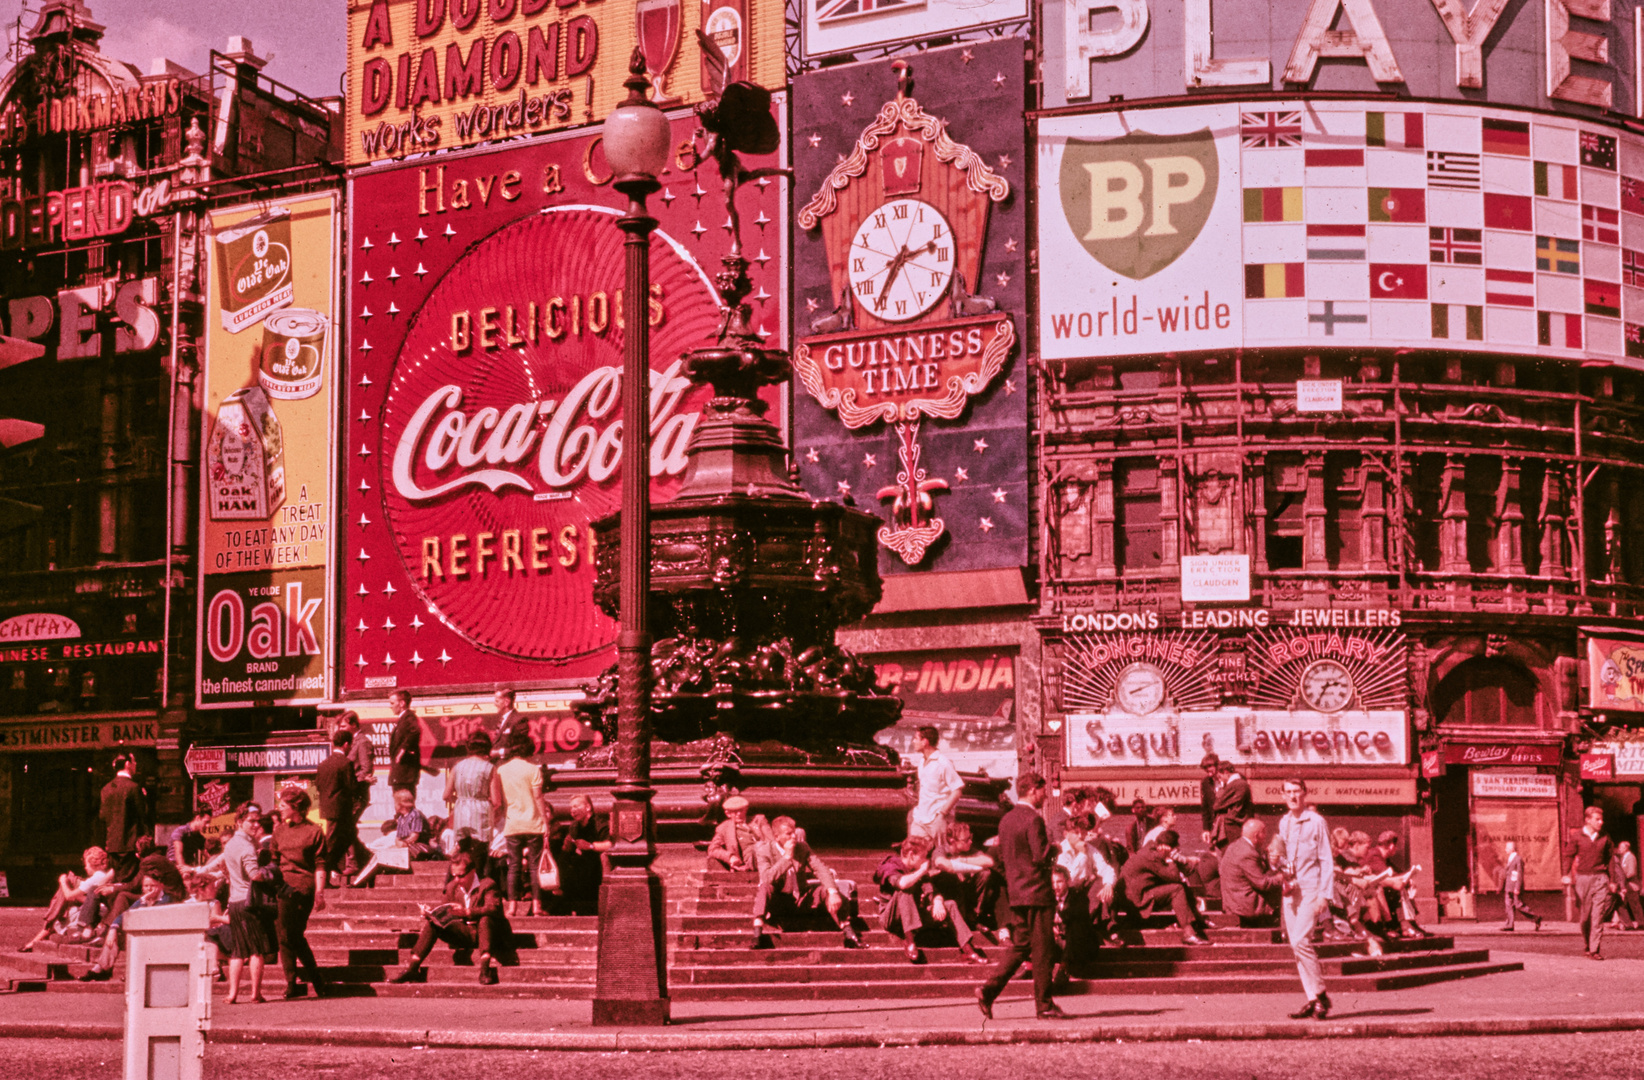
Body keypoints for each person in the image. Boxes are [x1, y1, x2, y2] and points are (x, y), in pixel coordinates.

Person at [977, 773, 1066, 1021]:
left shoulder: (1006, 820)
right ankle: (1044, 1005)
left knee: (1021, 945)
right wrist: (1056, 847)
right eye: (1043, 791)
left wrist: (1015, 881)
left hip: (1016, 893)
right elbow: (1041, 855)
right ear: (1033, 790)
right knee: (1043, 951)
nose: (1045, 796)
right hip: (1037, 893)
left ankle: (988, 990)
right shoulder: (1034, 819)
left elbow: (1001, 860)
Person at [390, 839, 505, 985]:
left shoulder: (487, 884)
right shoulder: (452, 887)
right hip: (466, 932)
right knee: (433, 923)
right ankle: (413, 967)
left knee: (485, 919)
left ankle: (485, 970)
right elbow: (444, 908)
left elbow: (493, 908)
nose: (457, 880)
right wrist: (430, 913)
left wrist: (468, 912)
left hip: (490, 933)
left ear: (472, 872)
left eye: (461, 875)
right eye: (454, 875)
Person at [750, 815, 862, 949]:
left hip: (802, 897)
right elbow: (766, 878)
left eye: (794, 832)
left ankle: (849, 934)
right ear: (777, 836)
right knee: (765, 887)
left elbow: (820, 868)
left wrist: (832, 891)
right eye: (788, 834)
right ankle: (757, 934)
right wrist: (786, 857)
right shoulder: (764, 850)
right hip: (780, 900)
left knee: (826, 890)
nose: (794, 837)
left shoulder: (802, 847)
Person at [875, 834, 986, 965]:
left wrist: (937, 901)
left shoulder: (917, 870)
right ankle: (909, 941)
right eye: (923, 857)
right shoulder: (890, 865)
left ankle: (968, 950)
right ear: (911, 855)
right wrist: (921, 871)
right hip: (892, 918)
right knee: (905, 890)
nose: (926, 861)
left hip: (914, 916)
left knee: (949, 904)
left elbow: (933, 890)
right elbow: (902, 884)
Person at [1276, 778, 1333, 1020]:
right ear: (1282, 796)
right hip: (1291, 890)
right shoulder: (1284, 822)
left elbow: (1327, 859)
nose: (1292, 796)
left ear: (1305, 793)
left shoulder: (1317, 821)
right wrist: (1278, 862)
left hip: (1312, 889)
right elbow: (1285, 857)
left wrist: (1325, 895)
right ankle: (1312, 999)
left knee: (1300, 941)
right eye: (1288, 792)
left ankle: (1321, 995)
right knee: (1296, 946)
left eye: (1296, 791)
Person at [272, 788, 328, 999]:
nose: (280, 808)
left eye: (284, 805)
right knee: (286, 934)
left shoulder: (314, 832)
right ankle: (297, 981)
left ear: (296, 807)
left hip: (303, 887)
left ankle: (307, 980)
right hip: (282, 887)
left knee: (290, 934)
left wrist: (320, 893)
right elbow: (274, 860)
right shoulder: (279, 831)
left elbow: (320, 864)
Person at [217, 804, 276, 1003]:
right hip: (250, 902)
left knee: (237, 951)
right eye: (251, 821)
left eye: (258, 820)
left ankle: (232, 994)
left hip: (234, 902)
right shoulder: (247, 846)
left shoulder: (231, 843)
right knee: (256, 951)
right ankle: (255, 993)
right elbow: (254, 875)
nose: (256, 824)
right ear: (240, 822)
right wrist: (271, 874)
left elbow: (221, 863)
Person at [75, 871, 179, 982]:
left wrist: (144, 901)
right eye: (146, 886)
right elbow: (126, 914)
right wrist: (113, 928)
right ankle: (100, 969)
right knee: (114, 937)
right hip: (142, 937)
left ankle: (132, 973)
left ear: (161, 885)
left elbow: (151, 917)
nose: (148, 889)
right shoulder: (144, 899)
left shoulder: (167, 900)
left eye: (152, 885)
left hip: (159, 940)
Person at [491, 731, 547, 918]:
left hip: (512, 822)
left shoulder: (501, 770)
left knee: (513, 866)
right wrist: (545, 822)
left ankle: (512, 906)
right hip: (533, 822)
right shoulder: (533, 769)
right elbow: (538, 797)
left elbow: (498, 799)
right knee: (534, 866)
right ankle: (537, 905)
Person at [1119, 830, 1210, 944]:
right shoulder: (1152, 856)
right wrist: (1170, 859)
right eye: (1176, 849)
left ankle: (1198, 919)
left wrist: (1181, 860)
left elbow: (1186, 871)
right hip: (1136, 900)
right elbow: (1174, 877)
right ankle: (1188, 933)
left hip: (1137, 894)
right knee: (1177, 889)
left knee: (1179, 886)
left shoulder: (1152, 850)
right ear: (1168, 847)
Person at [20, 846, 110, 952]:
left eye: (86, 865)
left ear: (93, 865)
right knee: (64, 904)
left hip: (99, 913)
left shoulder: (98, 876)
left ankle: (43, 932)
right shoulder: (103, 874)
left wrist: (62, 881)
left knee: (64, 896)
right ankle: (43, 933)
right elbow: (89, 900)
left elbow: (69, 895)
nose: (85, 868)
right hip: (97, 910)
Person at [1564, 805, 1616, 960]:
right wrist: (1565, 874)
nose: (1601, 822)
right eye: (1597, 819)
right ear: (1587, 820)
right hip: (1583, 878)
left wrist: (1612, 880)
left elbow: (1611, 859)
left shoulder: (1605, 837)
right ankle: (1587, 944)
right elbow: (1568, 855)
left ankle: (1595, 949)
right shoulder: (1578, 836)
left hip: (1600, 878)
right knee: (1585, 917)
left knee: (1597, 915)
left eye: (1601, 819)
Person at [314, 729, 361, 890]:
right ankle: (325, 875)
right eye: (351, 745)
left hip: (327, 809)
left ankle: (351, 865)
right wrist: (364, 781)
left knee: (347, 838)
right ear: (346, 744)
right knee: (333, 844)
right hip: (341, 810)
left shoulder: (323, 763)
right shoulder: (345, 763)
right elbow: (352, 786)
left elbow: (319, 785)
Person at [552, 793, 611, 915]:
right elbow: (568, 849)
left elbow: (610, 844)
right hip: (580, 863)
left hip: (596, 863)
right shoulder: (574, 826)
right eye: (571, 808)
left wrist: (590, 846)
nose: (572, 811)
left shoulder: (601, 824)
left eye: (576, 807)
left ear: (588, 808)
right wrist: (567, 846)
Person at [1221, 819, 1285, 927]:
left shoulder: (1235, 846)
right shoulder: (1248, 853)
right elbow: (1263, 884)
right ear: (1256, 836)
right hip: (1245, 904)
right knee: (1286, 889)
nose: (1265, 836)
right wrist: (1281, 877)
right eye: (1264, 832)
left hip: (1233, 900)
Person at [908, 725, 963, 848]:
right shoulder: (922, 762)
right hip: (920, 819)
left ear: (925, 741)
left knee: (940, 854)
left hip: (937, 820)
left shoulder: (943, 763)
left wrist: (942, 814)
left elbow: (957, 790)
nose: (913, 742)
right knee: (915, 852)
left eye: (916, 738)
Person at [99, 752, 148, 886]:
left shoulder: (106, 789)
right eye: (134, 761)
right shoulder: (133, 787)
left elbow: (102, 816)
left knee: (115, 881)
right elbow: (142, 815)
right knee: (128, 883)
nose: (136, 764)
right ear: (127, 764)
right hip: (130, 845)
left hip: (112, 844)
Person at [339, 710, 375, 875]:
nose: (341, 728)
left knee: (347, 826)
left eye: (344, 725)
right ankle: (366, 857)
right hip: (349, 793)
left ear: (354, 724)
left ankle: (354, 862)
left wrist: (354, 780)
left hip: (358, 793)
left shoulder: (362, 742)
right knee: (347, 827)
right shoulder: (350, 742)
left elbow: (366, 770)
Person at [707, 795, 759, 871]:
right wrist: (730, 857)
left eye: (741, 810)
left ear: (746, 809)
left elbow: (771, 840)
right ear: (728, 814)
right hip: (751, 859)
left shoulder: (759, 820)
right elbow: (712, 849)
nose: (738, 814)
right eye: (734, 812)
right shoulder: (724, 828)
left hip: (767, 853)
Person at [1210, 760, 1253, 849]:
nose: (1219, 779)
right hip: (1239, 825)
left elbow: (1217, 805)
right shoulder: (1242, 783)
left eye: (1220, 776)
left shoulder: (1235, 784)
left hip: (1233, 828)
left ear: (1226, 772)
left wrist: (1222, 787)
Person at [1501, 840, 1541, 932]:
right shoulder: (1510, 858)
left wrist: (1517, 887)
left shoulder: (1518, 859)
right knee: (1508, 906)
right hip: (1508, 886)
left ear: (1512, 848)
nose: (1505, 849)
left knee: (1518, 905)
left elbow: (1519, 874)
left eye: (1507, 848)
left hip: (1514, 887)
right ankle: (1509, 925)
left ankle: (1536, 917)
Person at [387, 690, 422, 793]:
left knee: (404, 804)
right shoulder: (402, 719)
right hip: (400, 773)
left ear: (402, 703)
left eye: (392, 703)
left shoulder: (408, 717)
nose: (391, 706)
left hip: (405, 773)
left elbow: (415, 731)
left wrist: (402, 751)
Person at [1613, 840, 1643, 929]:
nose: (1619, 849)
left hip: (1632, 886)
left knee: (1635, 906)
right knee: (1622, 904)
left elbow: (1632, 872)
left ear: (1626, 848)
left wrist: (1622, 878)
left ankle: (1641, 923)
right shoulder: (1623, 857)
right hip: (1626, 886)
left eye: (1621, 847)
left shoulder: (1630, 857)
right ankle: (1627, 923)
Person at [492, 689, 528, 756]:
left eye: (497, 701)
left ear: (506, 702)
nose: (494, 704)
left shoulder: (519, 720)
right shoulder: (501, 720)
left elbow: (522, 747)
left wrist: (498, 752)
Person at [1198, 754, 1221, 846]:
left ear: (1217, 765)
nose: (1207, 769)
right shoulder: (1205, 783)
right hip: (1215, 825)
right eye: (1205, 767)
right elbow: (1205, 808)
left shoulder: (1228, 780)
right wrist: (1206, 829)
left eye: (1210, 766)